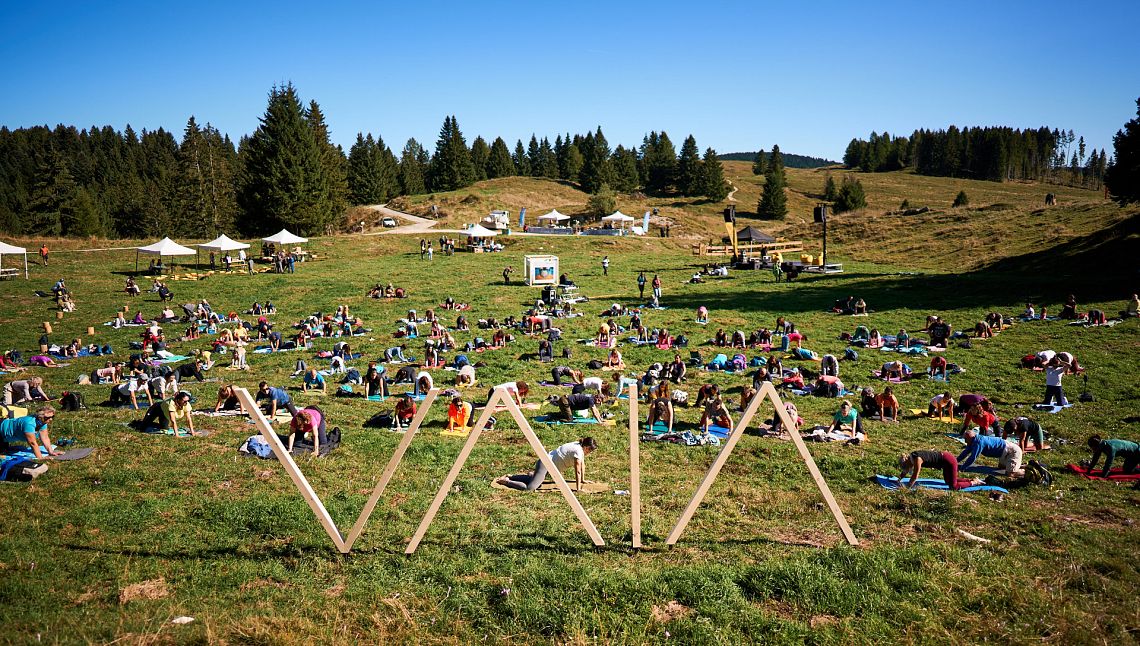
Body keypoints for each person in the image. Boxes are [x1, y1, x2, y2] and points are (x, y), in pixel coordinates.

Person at [497, 437, 597, 492]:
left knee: (534, 479)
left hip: (547, 465)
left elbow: (582, 465)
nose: (590, 453)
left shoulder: (579, 446)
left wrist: (583, 480)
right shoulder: (578, 451)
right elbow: (578, 470)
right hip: (545, 465)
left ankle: (512, 476)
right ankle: (506, 481)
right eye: (590, 450)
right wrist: (578, 489)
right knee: (530, 488)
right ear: (587, 447)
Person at [897, 450, 981, 491]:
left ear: (907, 461)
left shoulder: (917, 459)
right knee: (948, 481)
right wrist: (899, 479)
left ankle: (973, 482)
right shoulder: (911, 458)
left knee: (953, 487)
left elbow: (915, 475)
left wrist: (907, 487)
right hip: (944, 462)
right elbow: (906, 470)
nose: (908, 469)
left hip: (949, 460)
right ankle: (971, 479)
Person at [957, 427, 1023, 476]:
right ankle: (1020, 465)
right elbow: (966, 452)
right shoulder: (972, 440)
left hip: (1013, 451)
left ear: (972, 438)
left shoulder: (979, 442)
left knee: (1009, 474)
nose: (965, 441)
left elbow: (972, 457)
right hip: (1005, 452)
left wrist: (962, 468)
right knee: (1001, 468)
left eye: (966, 439)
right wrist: (955, 461)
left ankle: (1025, 471)